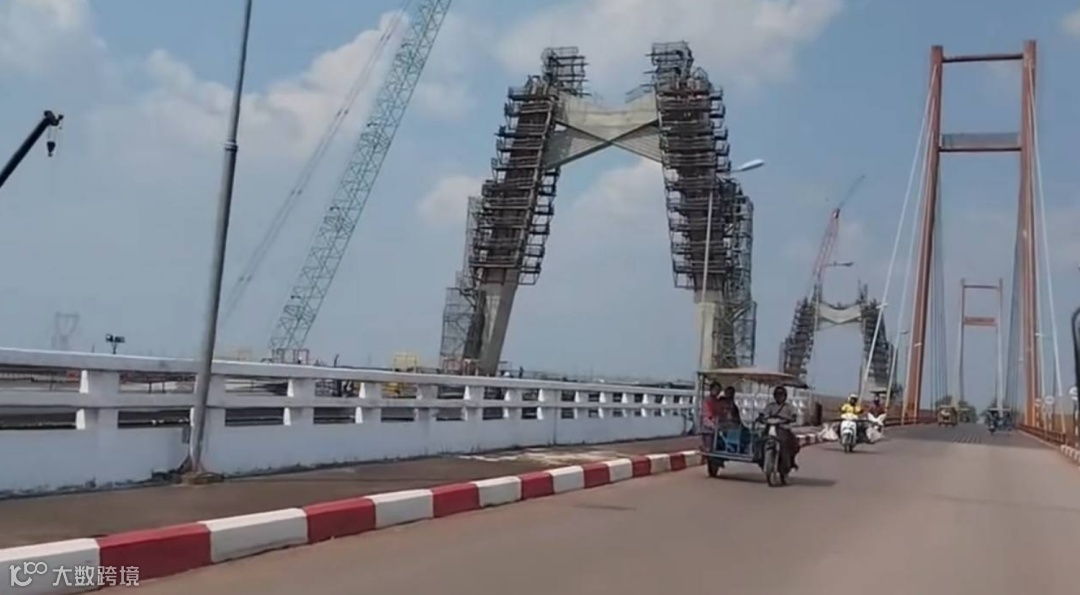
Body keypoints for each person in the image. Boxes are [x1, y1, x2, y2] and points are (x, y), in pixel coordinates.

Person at [760, 386, 801, 470]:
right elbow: (764, 414)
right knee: (759, 441)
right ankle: (760, 459)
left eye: (781, 395)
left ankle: (790, 462)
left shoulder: (789, 407)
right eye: (777, 395)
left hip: (783, 429)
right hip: (769, 428)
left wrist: (790, 419)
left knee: (793, 444)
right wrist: (762, 418)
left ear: (785, 396)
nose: (779, 397)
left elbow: (794, 416)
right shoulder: (770, 406)